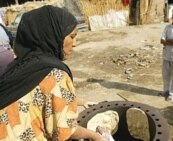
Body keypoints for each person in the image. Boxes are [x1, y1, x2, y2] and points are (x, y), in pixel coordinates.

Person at [0, 5, 106, 141]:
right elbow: (64, 131)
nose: (75, 43)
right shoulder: (56, 74)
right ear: (53, 36)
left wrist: (79, 101)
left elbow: (36, 95)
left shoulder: (21, 65)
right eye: (72, 36)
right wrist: (96, 137)